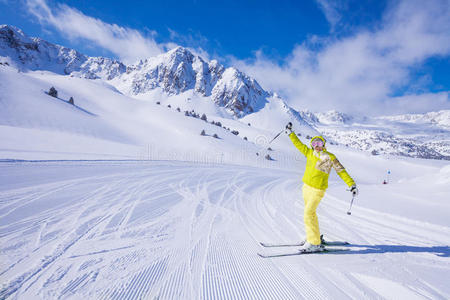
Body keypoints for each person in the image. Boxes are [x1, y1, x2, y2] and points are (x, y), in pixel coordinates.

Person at [285, 122, 358, 252]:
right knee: (311, 214)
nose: (317, 146)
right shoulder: (309, 153)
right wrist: (290, 133)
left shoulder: (329, 157)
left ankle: (314, 243)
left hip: (318, 190)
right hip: (306, 187)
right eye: (314, 144)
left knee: (308, 214)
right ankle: (314, 236)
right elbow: (298, 144)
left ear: (323, 144)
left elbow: (341, 171)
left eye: (319, 143)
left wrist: (351, 184)